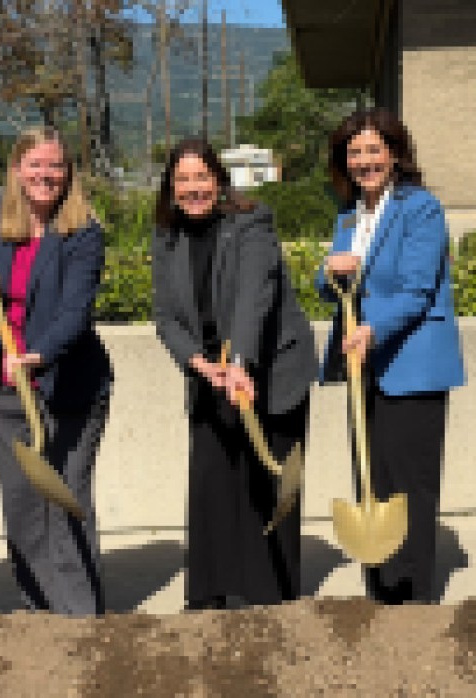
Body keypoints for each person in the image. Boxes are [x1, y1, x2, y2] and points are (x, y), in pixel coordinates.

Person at [151, 138, 317, 610]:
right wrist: (200, 365)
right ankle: (212, 594)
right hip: (210, 372)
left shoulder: (250, 222)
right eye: (182, 180)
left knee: (265, 484)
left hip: (270, 369)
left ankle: (269, 599)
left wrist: (240, 361)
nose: (192, 188)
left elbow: (254, 295)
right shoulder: (167, 237)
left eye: (201, 177)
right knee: (213, 484)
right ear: (171, 188)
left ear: (218, 180)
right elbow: (165, 317)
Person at [0, 126, 112, 616]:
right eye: (36, 165)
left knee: (64, 500)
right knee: (22, 506)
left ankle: (82, 619)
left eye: (56, 166)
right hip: (5, 393)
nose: (46, 175)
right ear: (18, 170)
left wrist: (39, 355)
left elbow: (75, 312)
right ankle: (40, 616)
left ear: (68, 174)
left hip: (68, 387)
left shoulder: (83, 231)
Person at [317, 108, 465, 605]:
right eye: (354, 152)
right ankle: (381, 590)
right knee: (372, 482)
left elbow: (419, 289)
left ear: (395, 154)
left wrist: (371, 328)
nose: (364, 161)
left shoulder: (420, 209)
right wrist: (329, 269)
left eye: (374, 150)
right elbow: (330, 284)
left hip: (412, 367)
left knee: (411, 488)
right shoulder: (350, 218)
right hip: (366, 370)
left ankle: (416, 598)